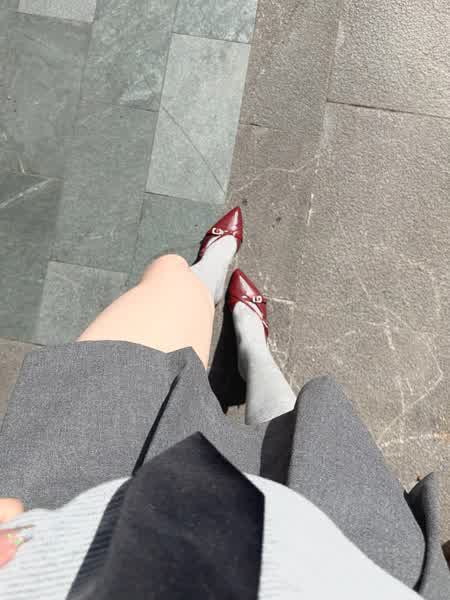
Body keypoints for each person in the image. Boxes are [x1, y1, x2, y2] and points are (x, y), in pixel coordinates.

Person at [0, 208, 448, 599]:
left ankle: (215, 278)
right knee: (297, 437)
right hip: (359, 561)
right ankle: (252, 346)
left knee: (170, 280)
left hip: (81, 527)